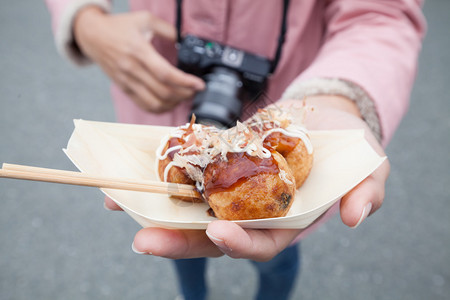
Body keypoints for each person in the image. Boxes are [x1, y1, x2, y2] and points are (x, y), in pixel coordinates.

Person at [45, 1, 426, 299]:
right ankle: (193, 295)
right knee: (177, 240)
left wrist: (339, 96)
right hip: (160, 107)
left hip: (290, 101)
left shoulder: (285, 153)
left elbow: (382, 11)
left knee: (276, 252)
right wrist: (86, 20)